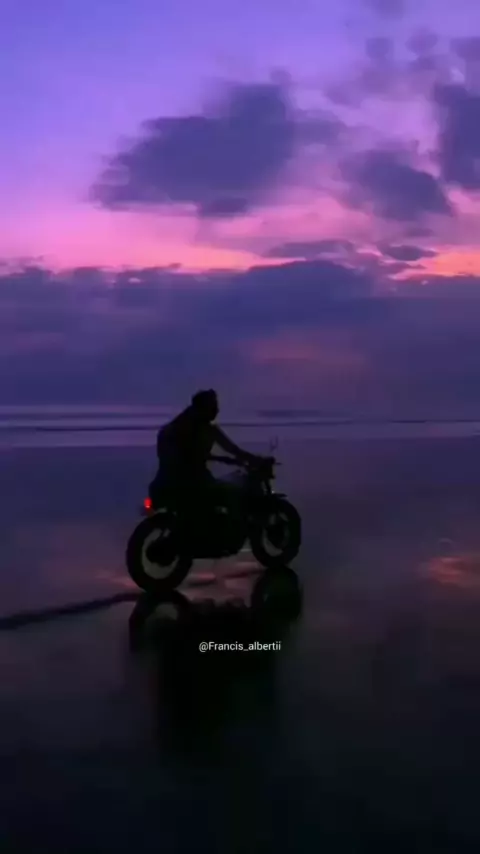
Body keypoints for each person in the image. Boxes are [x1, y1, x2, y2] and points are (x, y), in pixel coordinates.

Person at [149, 390, 271, 538]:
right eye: (213, 406)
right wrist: (248, 460)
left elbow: (231, 450)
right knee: (233, 494)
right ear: (203, 408)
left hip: (174, 483)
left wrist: (247, 459)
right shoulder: (189, 429)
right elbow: (192, 456)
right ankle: (227, 534)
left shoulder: (185, 427)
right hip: (190, 484)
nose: (216, 410)